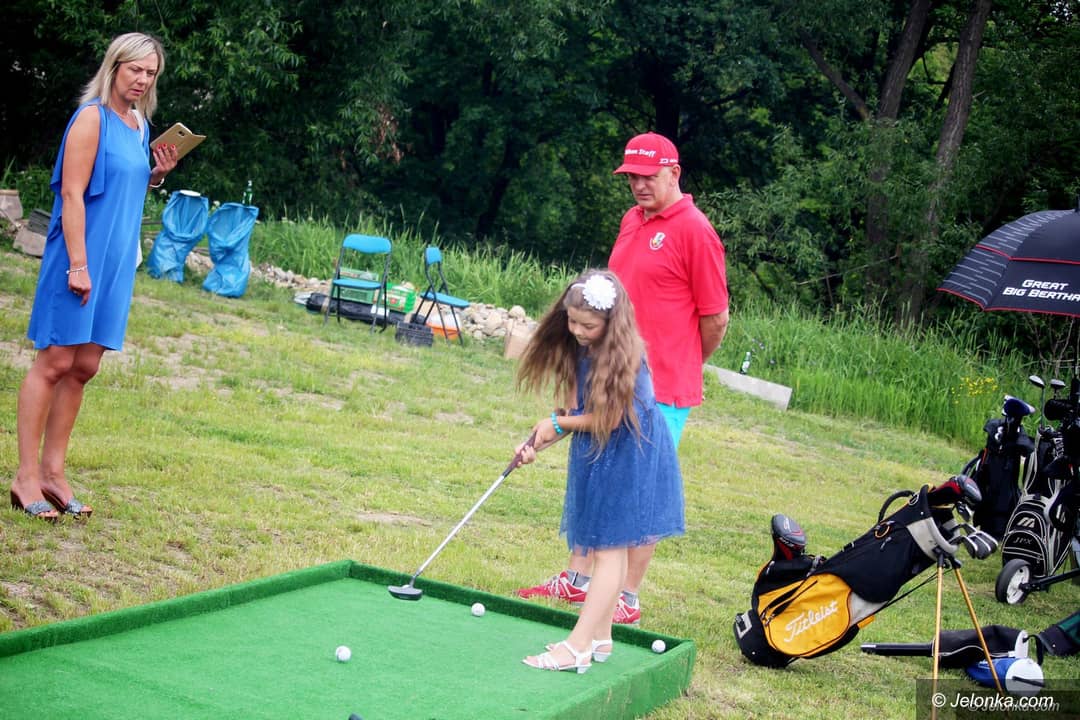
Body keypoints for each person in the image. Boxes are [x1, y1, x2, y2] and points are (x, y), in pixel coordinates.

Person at [517, 132, 729, 624]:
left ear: (674, 173)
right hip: (608, 371)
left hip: (663, 386)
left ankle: (626, 597)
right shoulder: (632, 220)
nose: (638, 184)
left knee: (638, 487)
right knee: (595, 467)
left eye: (648, 176)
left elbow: (715, 318)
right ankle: (578, 579)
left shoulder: (696, 231)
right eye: (632, 176)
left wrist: (683, 361)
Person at [9, 32, 178, 520]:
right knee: (55, 361)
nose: (142, 80)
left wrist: (156, 176)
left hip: (118, 260)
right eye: (135, 70)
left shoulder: (139, 125)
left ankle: (53, 473)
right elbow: (72, 195)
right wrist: (78, 265)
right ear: (114, 67)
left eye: (150, 73)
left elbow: (123, 188)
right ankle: (25, 477)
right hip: (79, 256)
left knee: (84, 366)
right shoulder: (91, 119)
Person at [515, 270, 684, 672]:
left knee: (608, 549)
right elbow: (575, 415)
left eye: (587, 325)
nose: (577, 330)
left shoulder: (628, 355)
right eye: (572, 321)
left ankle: (577, 646)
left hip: (631, 453)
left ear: (611, 322)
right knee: (612, 546)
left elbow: (608, 419)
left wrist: (557, 424)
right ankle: (601, 637)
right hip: (602, 451)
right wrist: (536, 441)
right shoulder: (581, 349)